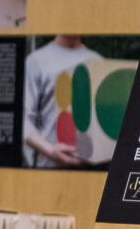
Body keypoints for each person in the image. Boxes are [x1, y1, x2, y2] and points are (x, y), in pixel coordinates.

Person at [21, 33, 106, 166]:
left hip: (90, 169)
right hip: (48, 168)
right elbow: (23, 120)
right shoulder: (36, 61)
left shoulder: (98, 60)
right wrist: (50, 150)